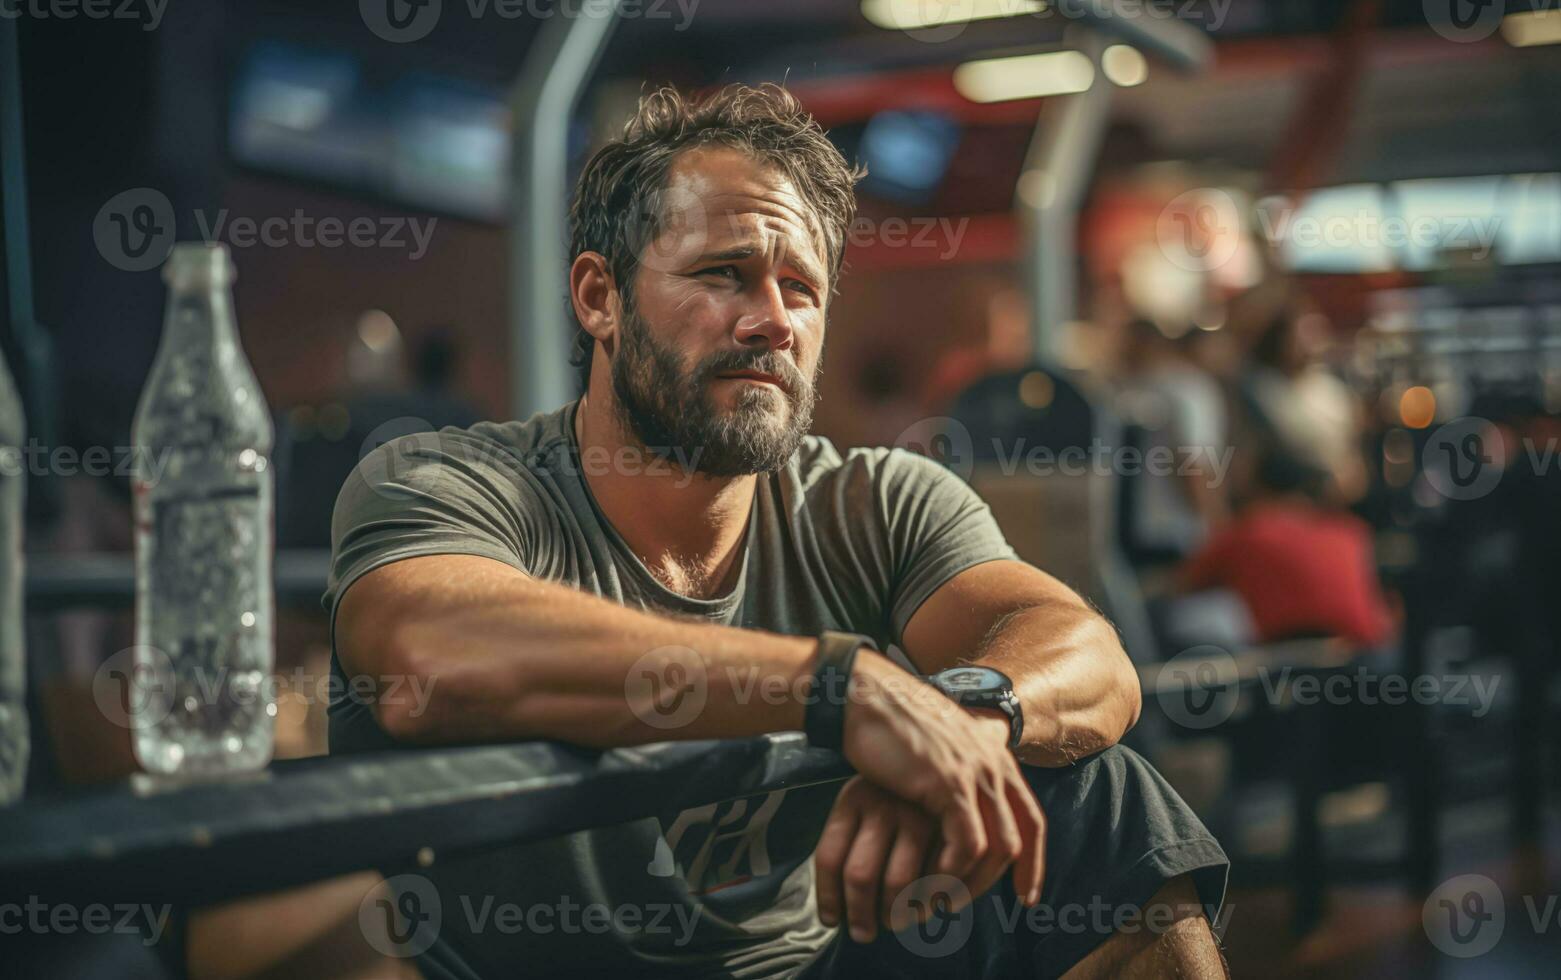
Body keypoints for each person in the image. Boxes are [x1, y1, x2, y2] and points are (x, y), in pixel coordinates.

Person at [325, 84, 1229, 979]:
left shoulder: (875, 500)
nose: (772, 321)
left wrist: (968, 718)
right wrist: (839, 688)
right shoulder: (445, 481)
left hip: (808, 969)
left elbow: (1086, 653)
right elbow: (425, 656)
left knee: (1099, 793)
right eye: (723, 273)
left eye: (801, 287)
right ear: (599, 296)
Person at [1176, 450, 1395, 650]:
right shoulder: (1350, 531)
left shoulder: (1248, 530)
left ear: (1258, 487)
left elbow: (1184, 585)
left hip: (1284, 663)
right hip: (1366, 658)